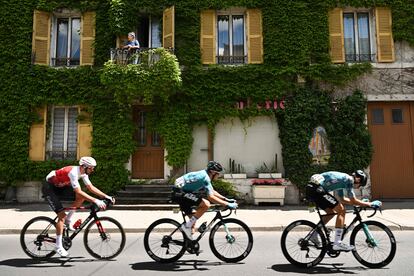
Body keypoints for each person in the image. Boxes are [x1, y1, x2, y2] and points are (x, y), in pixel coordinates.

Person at [42, 156, 115, 257]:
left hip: (61, 186)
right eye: (91, 168)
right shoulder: (73, 172)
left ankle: (68, 220)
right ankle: (58, 246)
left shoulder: (83, 173)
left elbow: (91, 187)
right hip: (49, 188)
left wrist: (106, 196)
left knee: (80, 198)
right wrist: (96, 200)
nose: (92, 170)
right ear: (84, 166)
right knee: (61, 216)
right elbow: (78, 191)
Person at [306, 170, 382, 251]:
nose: (359, 187)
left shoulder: (342, 180)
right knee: (341, 210)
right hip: (317, 190)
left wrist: (362, 203)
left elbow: (342, 199)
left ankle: (314, 235)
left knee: (331, 213)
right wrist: (369, 204)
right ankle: (337, 243)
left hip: (313, 190)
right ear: (358, 180)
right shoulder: (349, 180)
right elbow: (353, 201)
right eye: (360, 185)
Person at [172, 161, 238, 240]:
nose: (219, 176)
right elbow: (211, 197)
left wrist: (225, 199)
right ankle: (186, 227)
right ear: (213, 172)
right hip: (180, 193)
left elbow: (212, 191)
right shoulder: (205, 177)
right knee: (206, 204)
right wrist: (227, 204)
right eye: (218, 173)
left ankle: (188, 244)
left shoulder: (205, 175)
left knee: (192, 222)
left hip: (183, 192)